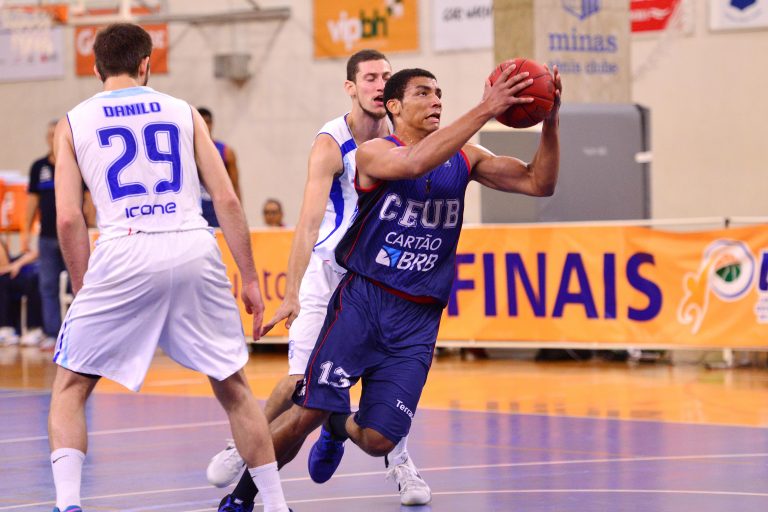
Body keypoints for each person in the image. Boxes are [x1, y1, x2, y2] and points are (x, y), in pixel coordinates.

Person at [216, 64, 561, 511]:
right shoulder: (373, 153)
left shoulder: (467, 157)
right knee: (305, 412)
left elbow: (540, 182)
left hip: (418, 319)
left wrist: (550, 120)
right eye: (423, 93)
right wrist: (487, 108)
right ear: (394, 106)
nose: (436, 100)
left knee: (379, 439)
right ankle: (240, 500)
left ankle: (338, 426)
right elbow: (415, 163)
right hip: (364, 302)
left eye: (439, 93)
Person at [48, 23, 290, 512]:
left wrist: (83, 285)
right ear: (146, 64)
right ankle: (276, 504)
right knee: (235, 389)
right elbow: (226, 199)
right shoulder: (183, 111)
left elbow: (69, 218)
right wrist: (249, 277)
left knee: (71, 387)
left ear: (95, 69)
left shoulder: (72, 123)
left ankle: (68, 503)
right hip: (191, 245)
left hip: (124, 247)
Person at [209, 49, 432, 507]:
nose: (380, 85)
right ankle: (249, 442)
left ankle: (398, 462)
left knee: (387, 379)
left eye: (386, 77)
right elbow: (308, 223)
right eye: (370, 78)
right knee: (300, 385)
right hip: (329, 273)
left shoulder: (406, 139)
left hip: (378, 280)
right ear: (350, 87)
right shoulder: (332, 143)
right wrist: (290, 292)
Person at [25, 121, 65, 350]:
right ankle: (52, 333)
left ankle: (78, 335)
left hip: (71, 236)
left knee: (78, 285)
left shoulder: (75, 162)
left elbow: (88, 199)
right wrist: (26, 232)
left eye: (56, 134)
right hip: (47, 237)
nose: (53, 138)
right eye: (50, 135)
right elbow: (32, 203)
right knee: (47, 285)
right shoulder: (38, 167)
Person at [197, 107, 240, 227]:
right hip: (196, 209)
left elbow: (235, 186)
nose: (205, 126)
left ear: (212, 123)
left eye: (207, 122)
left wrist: (237, 215)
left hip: (218, 209)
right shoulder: (186, 150)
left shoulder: (226, 151)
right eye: (201, 122)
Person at [0, 242, 43, 346]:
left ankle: (33, 328)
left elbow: (36, 253)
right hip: (9, 272)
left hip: (20, 271)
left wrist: (17, 264)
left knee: (32, 280)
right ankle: (8, 328)